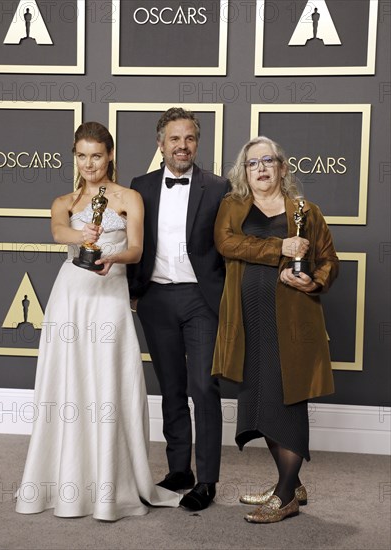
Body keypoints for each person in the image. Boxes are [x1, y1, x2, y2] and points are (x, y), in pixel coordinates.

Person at [15, 122, 179, 521]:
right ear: (75, 156)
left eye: (97, 155)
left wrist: (111, 256)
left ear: (110, 157)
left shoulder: (129, 198)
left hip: (109, 295)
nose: (90, 164)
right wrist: (79, 237)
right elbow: (57, 231)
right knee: (67, 382)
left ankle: (110, 487)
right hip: (70, 297)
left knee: (109, 381)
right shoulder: (64, 202)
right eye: (82, 155)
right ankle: (63, 481)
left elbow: (137, 249)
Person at [212, 136, 338, 523]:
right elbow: (226, 243)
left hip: (294, 322)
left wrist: (313, 282)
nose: (261, 168)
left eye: (269, 161)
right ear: (244, 171)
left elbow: (328, 260)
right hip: (248, 321)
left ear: (282, 168)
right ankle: (292, 482)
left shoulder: (305, 210)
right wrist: (278, 248)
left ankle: (285, 495)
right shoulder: (232, 206)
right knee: (260, 396)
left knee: (288, 397)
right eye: (253, 163)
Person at [127, 108, 229, 511]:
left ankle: (206, 479)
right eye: (174, 138)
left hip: (201, 299)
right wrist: (134, 292)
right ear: (160, 143)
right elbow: (135, 244)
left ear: (197, 143)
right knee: (170, 387)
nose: (182, 146)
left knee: (203, 387)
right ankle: (178, 470)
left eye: (189, 138)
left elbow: (229, 245)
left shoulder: (219, 187)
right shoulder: (141, 186)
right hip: (156, 299)